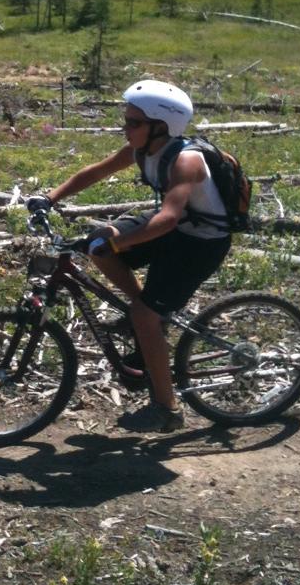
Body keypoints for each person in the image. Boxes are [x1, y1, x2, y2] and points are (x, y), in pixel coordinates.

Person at [29, 79, 231, 432]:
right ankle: (150, 318)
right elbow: (95, 171)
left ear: (161, 127)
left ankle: (167, 409)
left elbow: (167, 219)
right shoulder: (141, 150)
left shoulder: (187, 162)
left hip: (200, 241)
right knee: (97, 244)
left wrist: (122, 244)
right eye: (126, 120)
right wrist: (50, 197)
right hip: (175, 227)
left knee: (139, 306)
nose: (125, 128)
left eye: (133, 123)